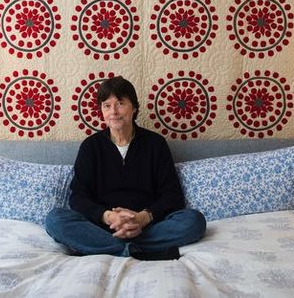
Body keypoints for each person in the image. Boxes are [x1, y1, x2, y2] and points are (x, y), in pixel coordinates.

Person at [45, 76, 206, 260]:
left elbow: (172, 195)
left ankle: (108, 248)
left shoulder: (156, 144)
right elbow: (78, 197)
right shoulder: (91, 147)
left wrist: (141, 218)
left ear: (134, 108)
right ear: (102, 111)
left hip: (147, 227)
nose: (113, 111)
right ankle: (136, 250)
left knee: (194, 221)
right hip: (103, 227)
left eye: (120, 103)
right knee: (55, 219)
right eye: (107, 105)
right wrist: (109, 218)